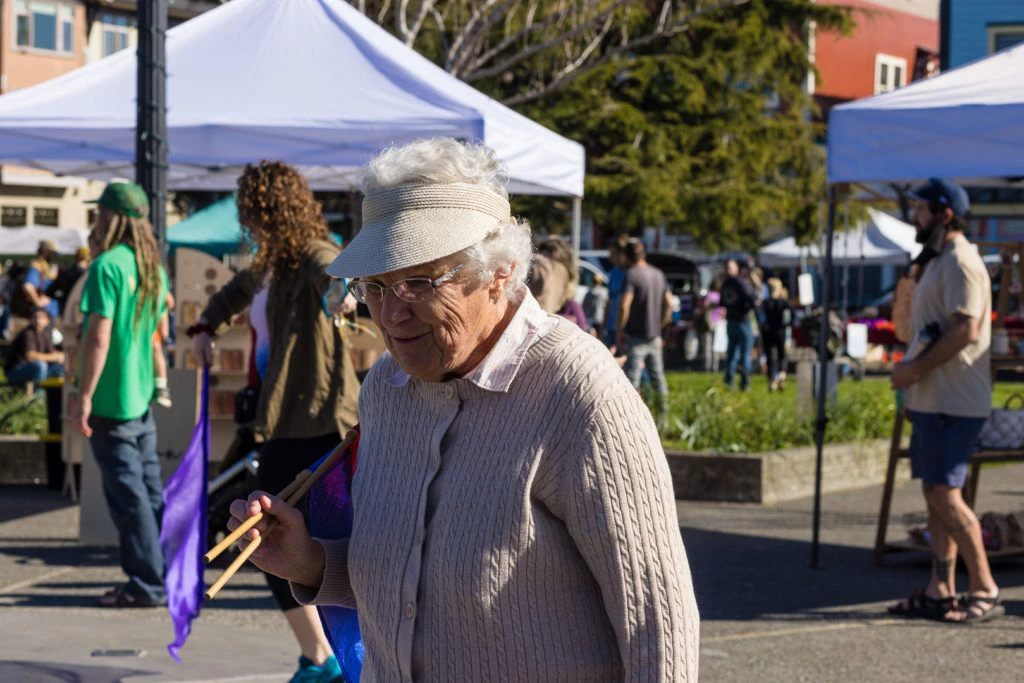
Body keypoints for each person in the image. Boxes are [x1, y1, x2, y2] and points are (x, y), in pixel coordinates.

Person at [227, 138, 700, 680]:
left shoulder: (578, 392)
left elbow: (658, 628)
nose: (391, 313)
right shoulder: (386, 388)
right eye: (375, 287)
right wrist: (313, 562)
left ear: (500, 271)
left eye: (419, 283)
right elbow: (411, 581)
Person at [191, 161, 359, 683]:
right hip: (285, 423)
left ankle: (327, 660)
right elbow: (232, 293)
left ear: (270, 211)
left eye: (254, 214)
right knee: (271, 544)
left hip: (320, 424)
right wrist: (204, 325)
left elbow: (334, 273)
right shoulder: (271, 266)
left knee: (290, 544)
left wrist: (344, 295)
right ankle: (321, 657)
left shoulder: (311, 255)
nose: (250, 224)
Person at [889, 178, 1002, 624]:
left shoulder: (961, 261)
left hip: (954, 402)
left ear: (944, 214)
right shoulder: (937, 261)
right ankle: (942, 588)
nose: (914, 216)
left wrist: (914, 371)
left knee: (945, 494)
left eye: (920, 209)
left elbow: (965, 330)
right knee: (935, 496)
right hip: (934, 400)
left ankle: (985, 588)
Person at [70, 181, 170, 608]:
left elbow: (98, 337)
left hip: (112, 399)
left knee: (129, 499)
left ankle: (146, 584)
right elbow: (155, 337)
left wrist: (83, 395)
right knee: (148, 494)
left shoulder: (106, 265)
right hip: (140, 395)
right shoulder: (151, 266)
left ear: (107, 217)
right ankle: (163, 573)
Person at [616, 239, 672, 428]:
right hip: (654, 334)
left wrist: (620, 329)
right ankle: (663, 421)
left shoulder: (631, 275)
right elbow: (669, 304)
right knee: (658, 378)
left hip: (635, 336)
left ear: (626, 256)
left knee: (632, 381)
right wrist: (661, 323)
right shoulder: (658, 274)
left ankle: (630, 424)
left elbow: (625, 305)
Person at [4, 306, 63, 394]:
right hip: (15, 371)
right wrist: (55, 357)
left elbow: (52, 352)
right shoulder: (28, 333)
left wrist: (61, 356)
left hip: (34, 369)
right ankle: (37, 398)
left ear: (47, 321)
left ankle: (55, 396)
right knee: (40, 365)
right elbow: (30, 356)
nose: (37, 320)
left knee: (60, 368)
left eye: (41, 317)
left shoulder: (45, 333)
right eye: (35, 317)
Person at [720, 259, 758, 391]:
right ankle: (744, 383)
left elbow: (722, 302)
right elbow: (751, 298)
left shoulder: (725, 283)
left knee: (731, 355)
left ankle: (729, 383)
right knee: (745, 354)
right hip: (742, 321)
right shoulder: (740, 282)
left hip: (731, 321)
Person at [761, 278, 792, 392]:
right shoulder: (784, 303)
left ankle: (772, 379)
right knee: (781, 355)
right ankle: (781, 376)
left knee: (770, 356)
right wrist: (786, 324)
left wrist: (762, 327)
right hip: (780, 331)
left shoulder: (765, 303)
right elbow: (791, 316)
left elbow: (759, 316)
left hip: (768, 331)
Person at [602, 234, 630, 349]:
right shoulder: (614, 271)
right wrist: (604, 325)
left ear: (622, 254)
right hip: (611, 327)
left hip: (626, 329)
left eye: (613, 254)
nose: (610, 257)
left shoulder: (630, 274)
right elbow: (609, 300)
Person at [21, 239, 60, 319]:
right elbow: (28, 286)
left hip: (50, 311)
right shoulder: (36, 265)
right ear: (46, 251)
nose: (54, 256)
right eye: (53, 253)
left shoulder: (47, 266)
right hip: (43, 313)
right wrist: (37, 302)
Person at [47, 246, 90, 315]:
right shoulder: (86, 275)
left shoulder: (65, 273)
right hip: (81, 311)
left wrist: (62, 298)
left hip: (66, 309)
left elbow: (49, 292)